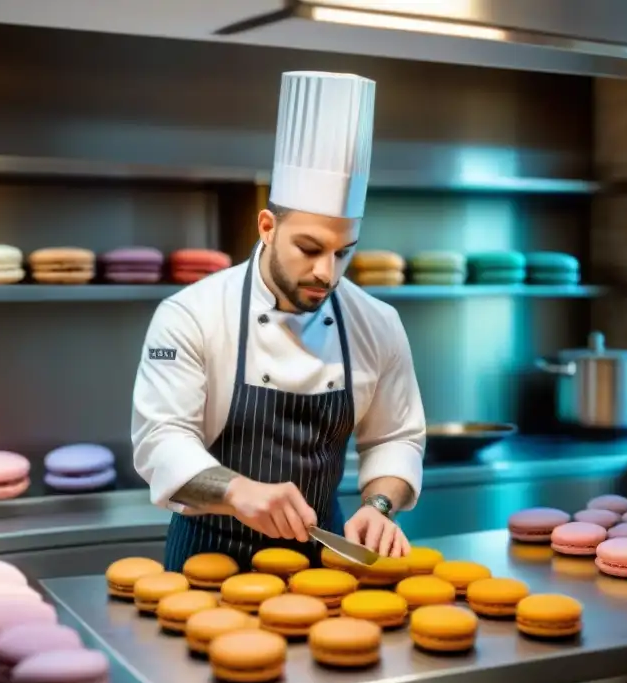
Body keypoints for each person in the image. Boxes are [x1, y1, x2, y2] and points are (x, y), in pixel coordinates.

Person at [131, 71, 426, 572]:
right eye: (309, 249)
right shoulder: (191, 315)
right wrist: (238, 490)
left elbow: (396, 437)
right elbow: (161, 441)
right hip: (208, 556)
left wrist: (379, 505)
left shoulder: (377, 323)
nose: (326, 273)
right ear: (267, 226)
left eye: (343, 253)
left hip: (325, 558)